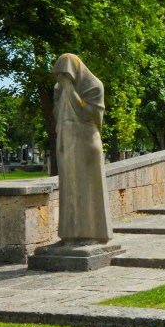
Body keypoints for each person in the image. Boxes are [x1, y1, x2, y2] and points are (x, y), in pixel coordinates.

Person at [53, 53, 112, 243]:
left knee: (88, 190)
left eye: (65, 74)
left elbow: (88, 114)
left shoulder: (94, 86)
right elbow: (56, 114)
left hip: (87, 141)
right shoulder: (58, 89)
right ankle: (69, 235)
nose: (61, 79)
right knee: (69, 190)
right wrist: (62, 90)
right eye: (59, 75)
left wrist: (69, 89)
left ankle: (93, 233)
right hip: (66, 142)